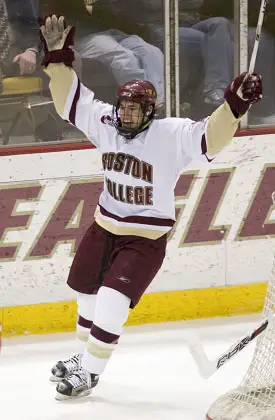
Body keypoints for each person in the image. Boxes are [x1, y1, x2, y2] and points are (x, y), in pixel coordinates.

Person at [40, 15, 262, 400]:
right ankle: (81, 356)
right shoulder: (106, 122)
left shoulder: (169, 135)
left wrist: (233, 107)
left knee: (112, 299)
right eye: (123, 106)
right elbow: (69, 102)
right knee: (86, 293)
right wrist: (58, 60)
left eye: (133, 109)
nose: (125, 114)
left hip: (144, 240)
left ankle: (91, 372)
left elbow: (210, 137)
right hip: (104, 226)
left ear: (149, 112)